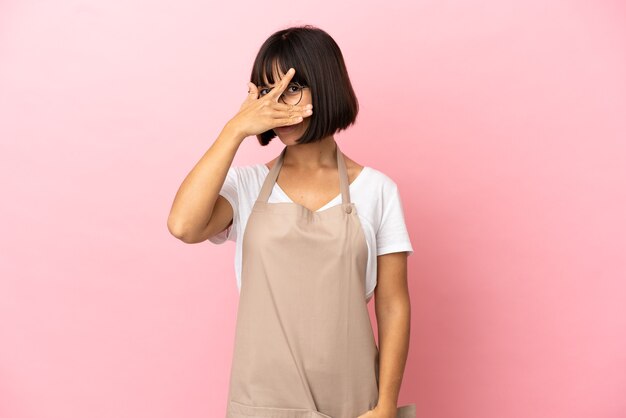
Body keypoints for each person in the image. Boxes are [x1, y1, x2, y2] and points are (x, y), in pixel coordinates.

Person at [168, 25, 415, 418]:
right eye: (267, 93)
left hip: (353, 402)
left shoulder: (377, 191)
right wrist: (235, 129)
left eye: (292, 87)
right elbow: (184, 226)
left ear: (327, 85)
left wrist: (386, 403)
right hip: (261, 400)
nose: (278, 104)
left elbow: (393, 305)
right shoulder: (245, 187)